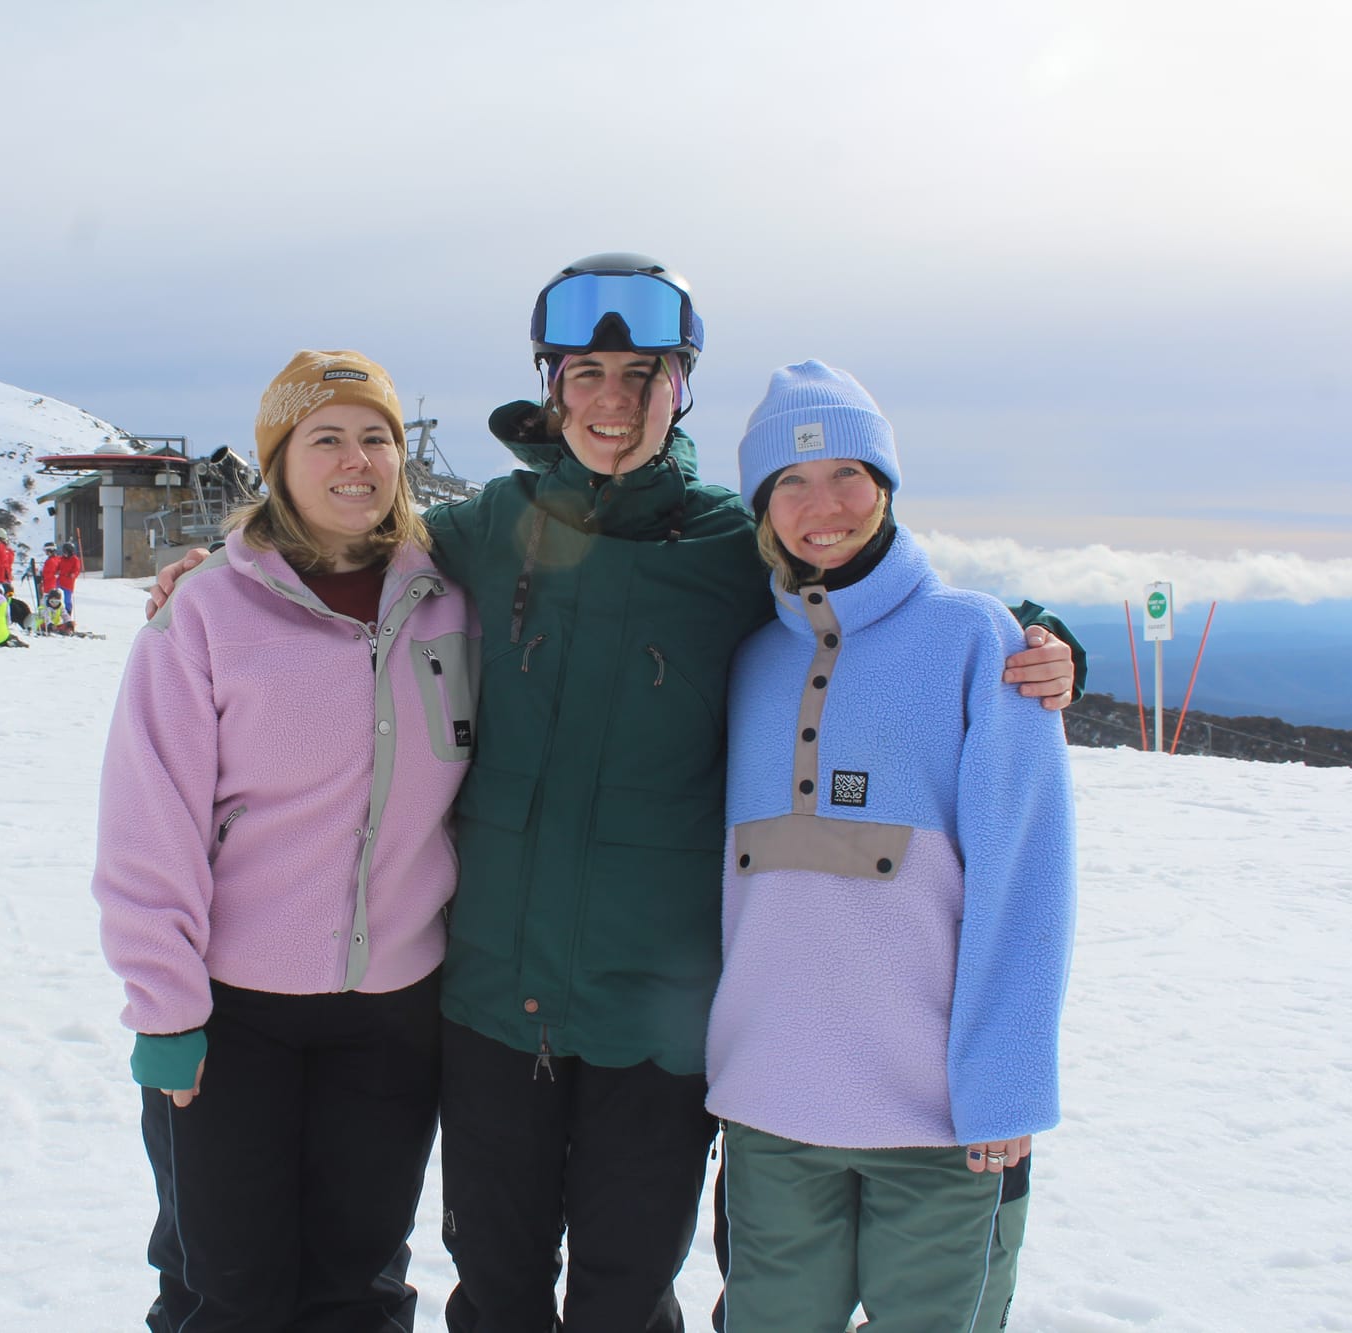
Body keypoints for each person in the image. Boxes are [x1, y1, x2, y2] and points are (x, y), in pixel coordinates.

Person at [147, 256, 1079, 1331]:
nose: (610, 401)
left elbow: (863, 592)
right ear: (550, 385)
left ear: (680, 386)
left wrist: (1038, 634)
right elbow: (337, 547)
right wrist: (223, 560)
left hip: (658, 1014)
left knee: (622, 1296)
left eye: (641, 374)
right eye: (584, 372)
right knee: (494, 1289)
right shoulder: (485, 530)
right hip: (494, 997)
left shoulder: (730, 544)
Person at [94, 350, 477, 1332]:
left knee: (360, 1288)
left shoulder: (449, 603)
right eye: (325, 438)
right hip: (230, 1018)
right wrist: (165, 1011)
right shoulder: (207, 613)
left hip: (394, 1013)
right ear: (278, 459)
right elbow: (150, 825)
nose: (356, 460)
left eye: (375, 437)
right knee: (229, 1291)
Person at [704, 362, 1075, 1332]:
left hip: (936, 1119)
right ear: (760, 503)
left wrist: (1006, 1084)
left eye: (847, 475)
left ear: (886, 488)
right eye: (789, 481)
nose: (820, 505)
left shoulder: (974, 641)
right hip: (768, 1106)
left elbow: (1026, 880)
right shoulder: (743, 658)